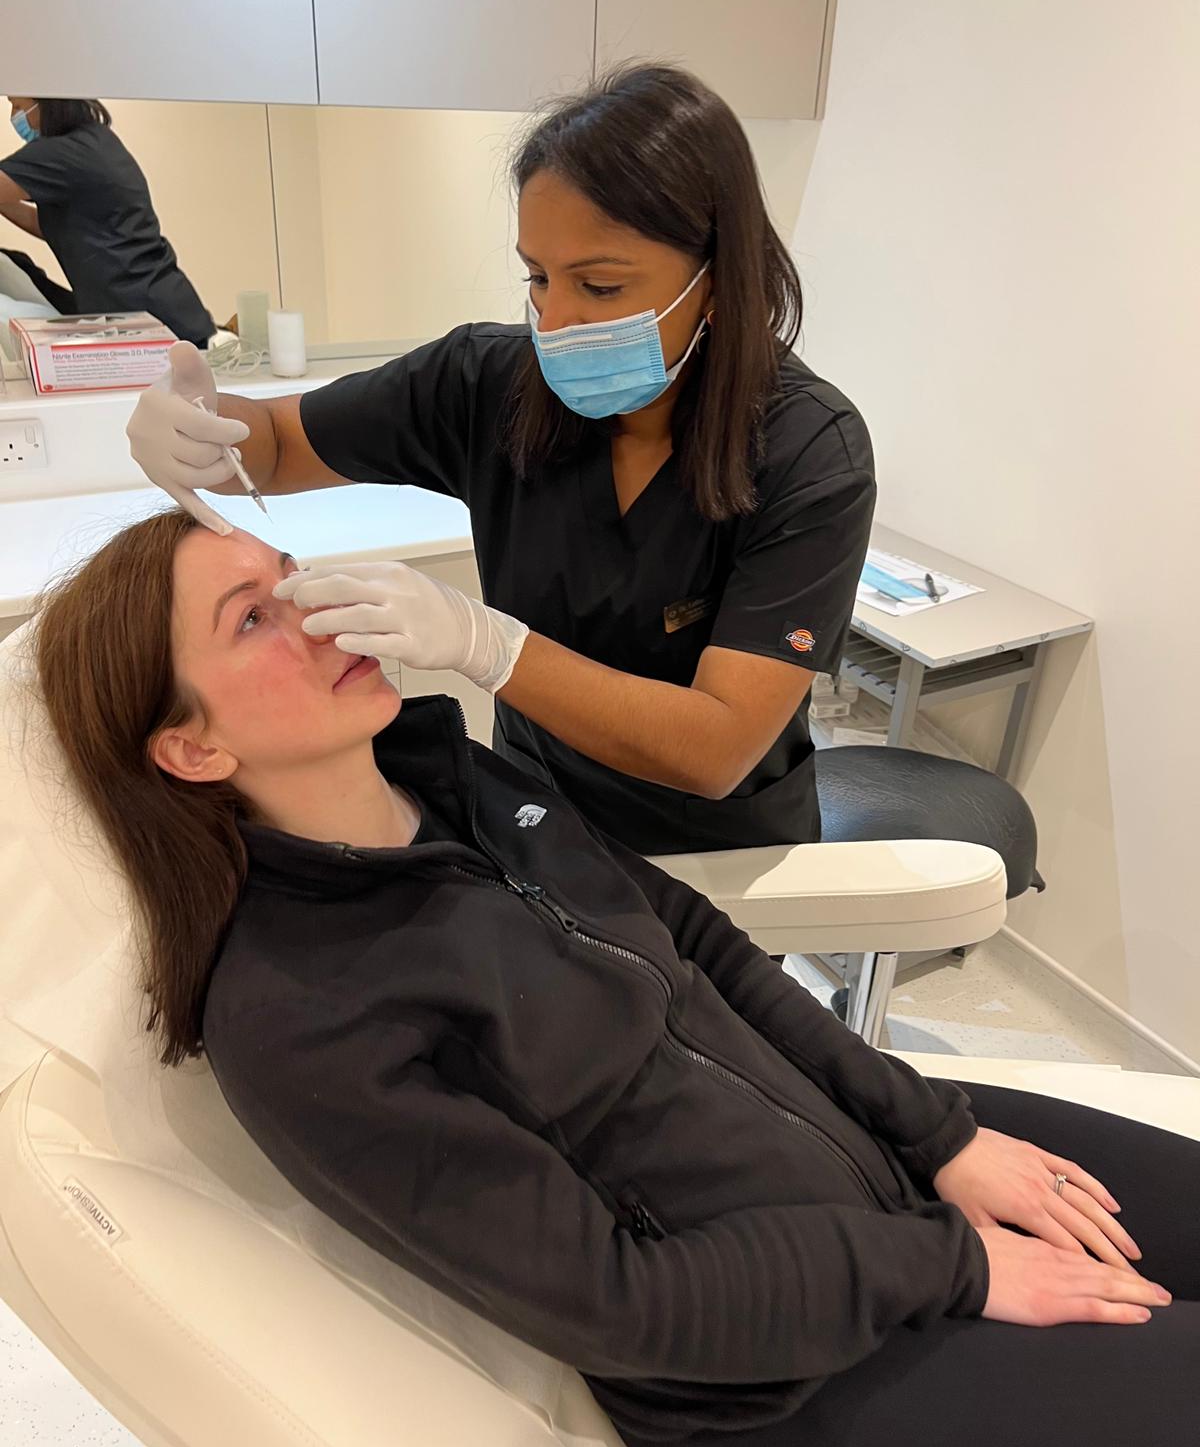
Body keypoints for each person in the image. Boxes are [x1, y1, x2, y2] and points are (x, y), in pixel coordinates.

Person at [31, 509, 1200, 1447]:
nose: (319, 611)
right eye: (253, 618)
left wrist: (937, 1136)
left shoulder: (459, 779)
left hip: (877, 1166)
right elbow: (621, 1304)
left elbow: (702, 948)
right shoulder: (300, 1015)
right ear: (191, 750)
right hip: (783, 1372)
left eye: (291, 577)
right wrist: (954, 1265)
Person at [126, 63, 875, 857]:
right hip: (534, 819)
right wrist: (209, 427)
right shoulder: (488, 384)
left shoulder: (809, 454)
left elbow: (714, 748)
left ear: (721, 275)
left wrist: (488, 646)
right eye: (540, 278)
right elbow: (279, 445)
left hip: (716, 853)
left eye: (601, 285)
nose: (555, 322)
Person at [0, 96, 214, 346]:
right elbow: (60, 228)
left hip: (149, 318)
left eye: (19, 107)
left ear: (49, 102)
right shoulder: (94, 140)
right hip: (160, 310)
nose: (14, 116)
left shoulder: (63, 152)